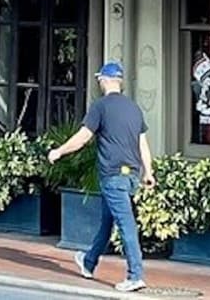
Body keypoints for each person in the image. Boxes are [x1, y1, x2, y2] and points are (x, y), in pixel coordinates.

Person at [47, 60, 154, 295]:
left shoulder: (101, 106)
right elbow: (142, 144)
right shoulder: (134, 108)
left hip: (112, 175)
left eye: (99, 80)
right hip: (131, 176)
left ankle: (135, 276)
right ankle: (88, 262)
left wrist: (58, 151)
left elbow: (83, 137)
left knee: (126, 225)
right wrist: (149, 173)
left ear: (103, 81)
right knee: (108, 221)